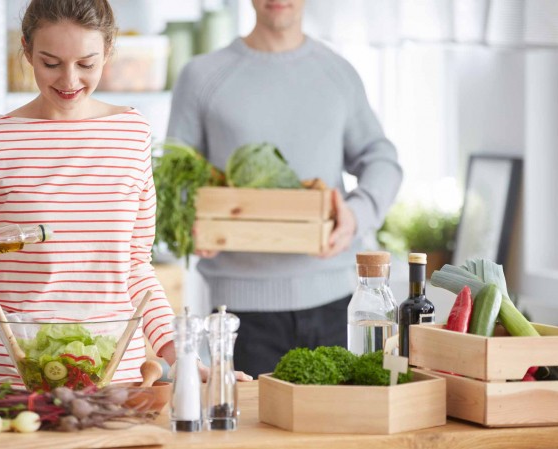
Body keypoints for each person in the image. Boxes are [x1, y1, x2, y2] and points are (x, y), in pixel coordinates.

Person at [0, 0, 250, 389]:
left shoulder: (131, 132)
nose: (69, 81)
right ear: (27, 50)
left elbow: (136, 267)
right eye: (51, 63)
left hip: (116, 376)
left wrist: (181, 357)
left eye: (86, 64)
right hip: (17, 377)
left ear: (109, 51)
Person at [167, 0, 403, 378]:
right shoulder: (201, 76)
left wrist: (356, 216)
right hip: (240, 317)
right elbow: (174, 180)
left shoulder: (337, 73)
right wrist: (188, 229)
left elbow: (382, 160)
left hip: (335, 304)